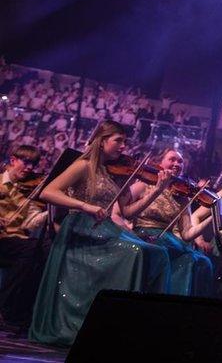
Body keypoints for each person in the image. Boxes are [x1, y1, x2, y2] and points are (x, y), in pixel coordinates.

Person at [30, 121, 171, 346]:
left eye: (125, 141)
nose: (123, 146)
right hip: (81, 230)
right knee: (135, 252)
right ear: (102, 140)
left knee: (158, 254)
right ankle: (111, 325)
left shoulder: (109, 172)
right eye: (118, 140)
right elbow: (48, 192)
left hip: (105, 230)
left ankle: (140, 328)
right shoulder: (83, 165)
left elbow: (127, 211)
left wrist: (159, 191)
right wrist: (84, 206)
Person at [124, 148, 215, 297]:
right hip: (145, 234)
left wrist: (213, 216)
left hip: (168, 238)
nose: (177, 163)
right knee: (189, 261)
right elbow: (122, 209)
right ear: (160, 162)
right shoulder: (145, 184)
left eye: (180, 161)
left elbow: (186, 234)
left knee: (204, 262)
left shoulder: (182, 195)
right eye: (172, 159)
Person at [0, 145, 49, 333]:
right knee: (32, 249)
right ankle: (8, 308)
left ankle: (23, 312)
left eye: (33, 164)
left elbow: (30, 223)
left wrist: (51, 208)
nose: (30, 168)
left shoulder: (27, 191)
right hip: (4, 241)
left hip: (15, 244)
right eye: (26, 162)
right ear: (13, 160)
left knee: (44, 249)